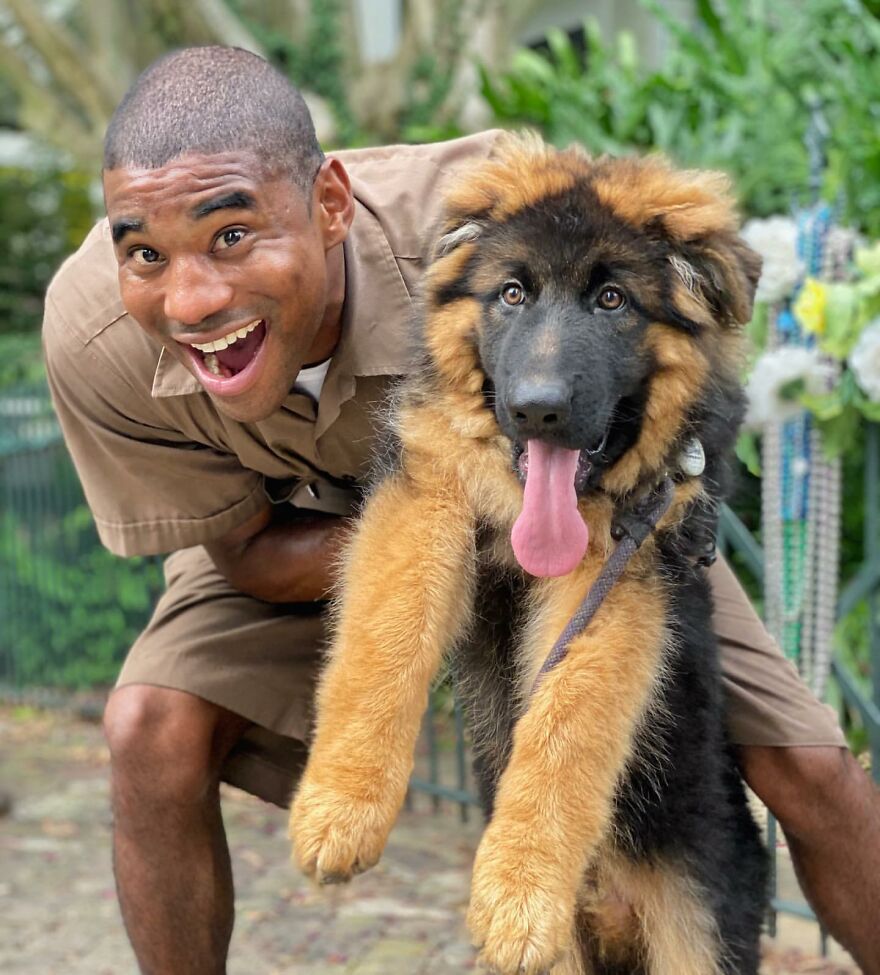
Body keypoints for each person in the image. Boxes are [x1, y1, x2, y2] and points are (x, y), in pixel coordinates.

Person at [42, 46, 879, 975]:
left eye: (232, 234)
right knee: (149, 726)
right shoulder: (95, 337)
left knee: (807, 765)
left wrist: (600, 492)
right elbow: (242, 552)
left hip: (588, 496)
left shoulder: (480, 211)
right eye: (147, 253)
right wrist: (450, 545)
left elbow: (673, 352)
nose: (193, 296)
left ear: (330, 206)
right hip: (298, 542)